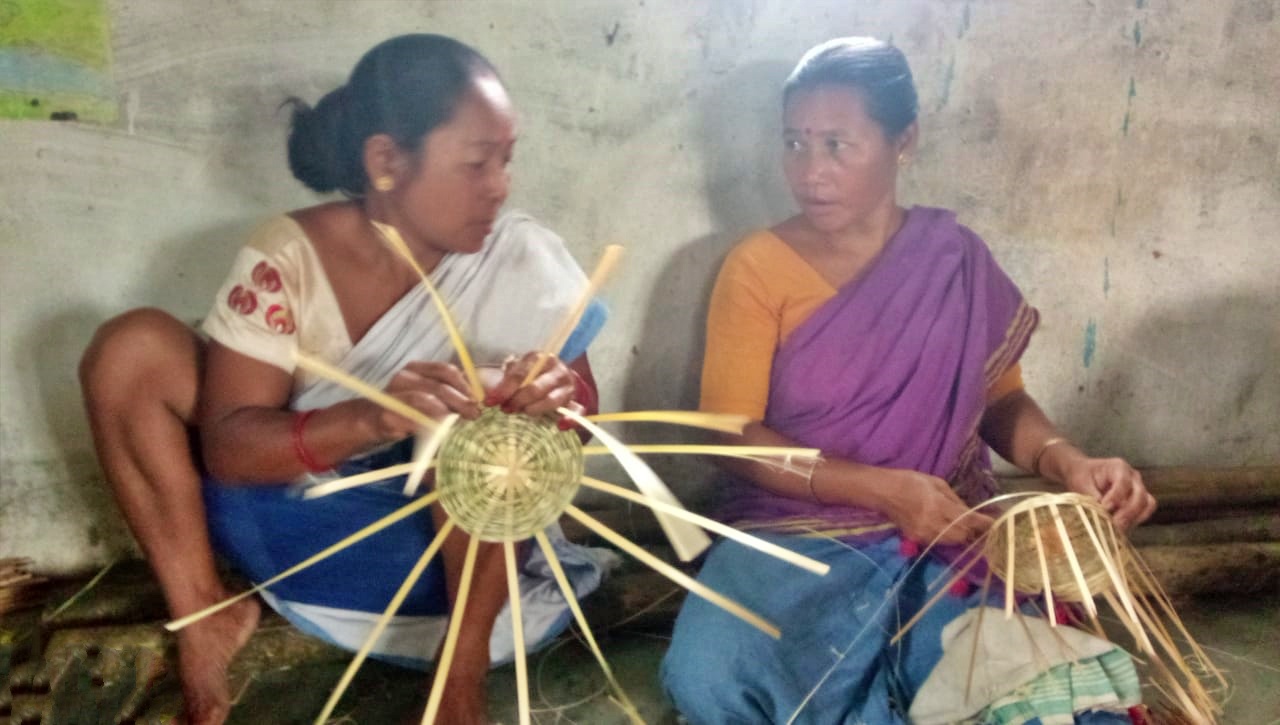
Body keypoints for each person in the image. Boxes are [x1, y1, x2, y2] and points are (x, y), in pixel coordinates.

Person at [79, 34, 613, 725]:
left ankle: (460, 680)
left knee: (480, 427)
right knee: (131, 349)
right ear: (387, 160)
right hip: (299, 532)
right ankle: (205, 616)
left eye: (507, 159)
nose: (501, 186)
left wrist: (545, 406)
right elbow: (230, 448)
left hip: (457, 570)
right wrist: (375, 417)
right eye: (478, 162)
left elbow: (583, 418)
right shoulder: (289, 258)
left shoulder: (522, 258)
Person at [661, 37, 1158, 724]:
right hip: (795, 533)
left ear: (905, 141)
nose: (811, 171)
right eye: (795, 143)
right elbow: (733, 436)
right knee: (712, 679)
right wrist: (880, 489)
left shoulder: (952, 259)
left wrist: (1067, 460)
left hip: (946, 531)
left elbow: (1001, 399)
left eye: (838, 144)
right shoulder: (757, 266)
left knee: (1041, 694)